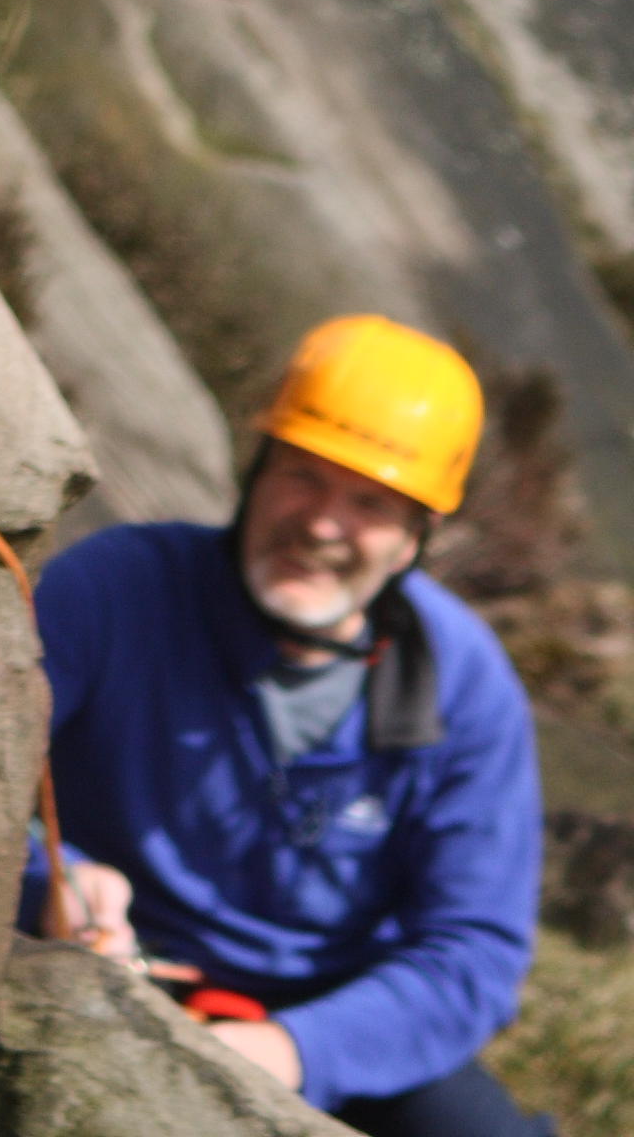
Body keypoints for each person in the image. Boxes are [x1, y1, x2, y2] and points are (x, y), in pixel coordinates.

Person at [27, 316, 550, 1134]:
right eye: (304, 476)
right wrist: (50, 874)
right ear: (257, 471)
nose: (323, 524)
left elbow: (475, 955)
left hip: (323, 1008)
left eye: (370, 503)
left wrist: (295, 1050)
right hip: (99, 954)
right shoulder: (116, 589)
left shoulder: (466, 687)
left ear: (416, 538)